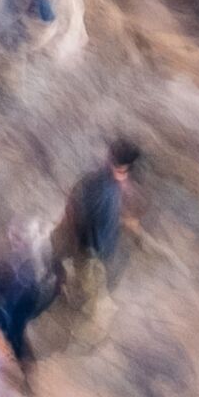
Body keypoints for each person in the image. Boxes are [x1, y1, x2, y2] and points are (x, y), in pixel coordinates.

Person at [53, 139, 142, 334]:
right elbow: (100, 228)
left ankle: (57, 284)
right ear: (124, 168)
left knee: (56, 259)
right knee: (90, 287)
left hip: (74, 236)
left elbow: (74, 204)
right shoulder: (110, 193)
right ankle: (77, 314)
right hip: (91, 248)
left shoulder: (90, 180)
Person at [0, 220, 61, 378]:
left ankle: (25, 371)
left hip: (25, 297)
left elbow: (16, 306)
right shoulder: (8, 260)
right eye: (13, 236)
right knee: (9, 331)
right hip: (15, 296)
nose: (14, 240)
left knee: (14, 334)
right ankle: (22, 369)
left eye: (18, 239)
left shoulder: (28, 265)